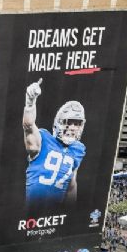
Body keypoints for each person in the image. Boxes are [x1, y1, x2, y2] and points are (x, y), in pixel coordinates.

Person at [23, 78, 86, 206]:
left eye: (77, 123)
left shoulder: (78, 149)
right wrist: (30, 102)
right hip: (34, 210)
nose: (73, 128)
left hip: (56, 212)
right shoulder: (43, 139)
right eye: (69, 123)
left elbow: (72, 185)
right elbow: (28, 125)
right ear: (59, 123)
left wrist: (70, 214)